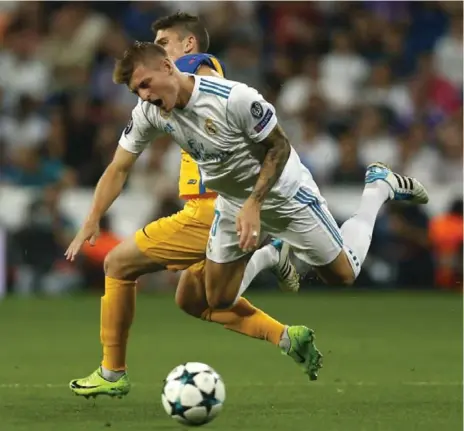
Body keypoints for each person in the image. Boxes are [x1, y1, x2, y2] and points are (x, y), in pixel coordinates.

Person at [91, 40, 428, 389]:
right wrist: (92, 218)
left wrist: (254, 203)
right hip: (235, 203)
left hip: (287, 196)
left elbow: (280, 146)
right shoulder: (151, 112)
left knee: (343, 274)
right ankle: (272, 253)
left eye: (145, 84)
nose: (143, 95)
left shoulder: (235, 99)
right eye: (135, 90)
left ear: (166, 66)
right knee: (219, 299)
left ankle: (377, 188)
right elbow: (119, 166)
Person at [67, 14, 312, 399]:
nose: (157, 50)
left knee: (117, 264)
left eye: (164, 42)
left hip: (210, 210)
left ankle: (112, 372)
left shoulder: (196, 69)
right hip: (214, 210)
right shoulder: (160, 101)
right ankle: (286, 337)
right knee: (193, 301)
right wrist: (92, 216)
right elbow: (119, 166)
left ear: (187, 46)